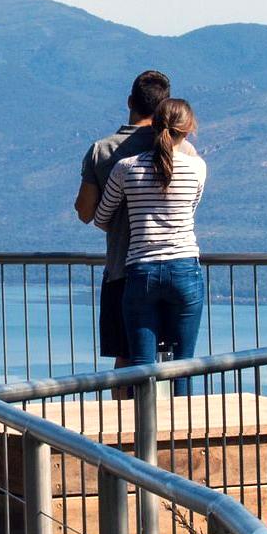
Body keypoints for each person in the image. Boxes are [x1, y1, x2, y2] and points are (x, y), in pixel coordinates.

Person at [93, 98, 206, 396]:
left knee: (141, 366)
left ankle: (142, 435)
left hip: (141, 271)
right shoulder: (197, 168)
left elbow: (102, 217)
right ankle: (186, 436)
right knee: (184, 363)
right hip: (185, 268)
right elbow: (190, 210)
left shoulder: (126, 168)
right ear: (189, 129)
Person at [75, 70, 171, 373]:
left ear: (130, 101)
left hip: (121, 269)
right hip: (171, 266)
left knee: (127, 360)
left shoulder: (102, 150)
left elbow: (85, 212)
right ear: (164, 107)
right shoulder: (174, 148)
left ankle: (126, 419)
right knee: (171, 359)